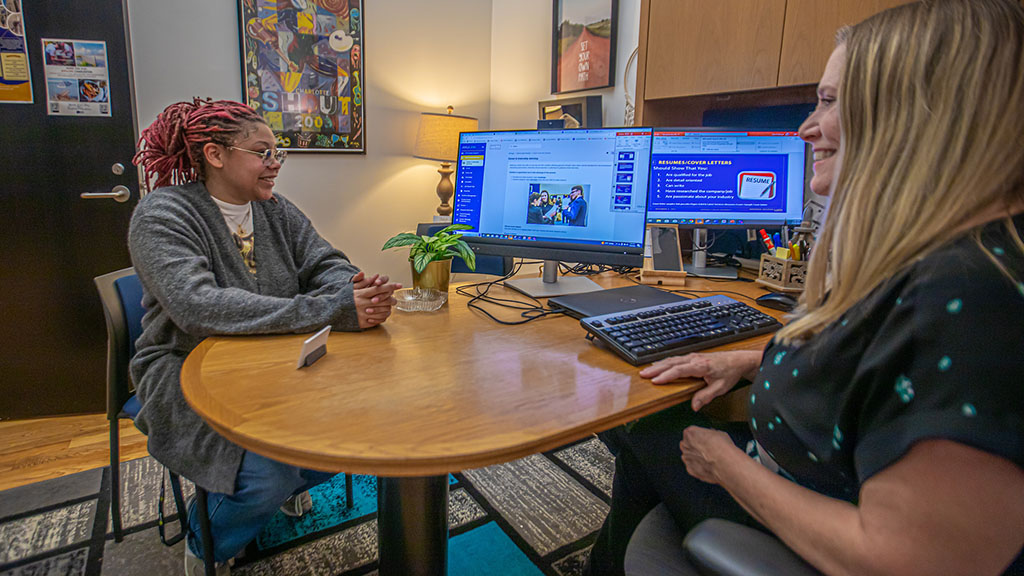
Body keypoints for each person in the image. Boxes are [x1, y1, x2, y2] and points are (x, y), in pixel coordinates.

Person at [587, 1, 1024, 575]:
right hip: (808, 479)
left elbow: (910, 561)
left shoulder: (971, 296)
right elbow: (878, 367)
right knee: (645, 441)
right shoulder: (939, 259)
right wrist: (749, 360)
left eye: (829, 100)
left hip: (805, 532)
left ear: (916, 112)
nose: (804, 128)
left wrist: (724, 464)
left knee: (641, 421)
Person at [129, 98, 401, 575]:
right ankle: (204, 542)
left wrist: (355, 291)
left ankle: (280, 495)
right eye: (263, 152)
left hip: (275, 354)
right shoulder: (162, 214)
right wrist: (331, 310)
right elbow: (198, 307)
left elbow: (325, 262)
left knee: (355, 434)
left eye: (279, 153)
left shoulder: (275, 210)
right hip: (184, 365)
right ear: (216, 155)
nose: (275, 164)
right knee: (264, 474)